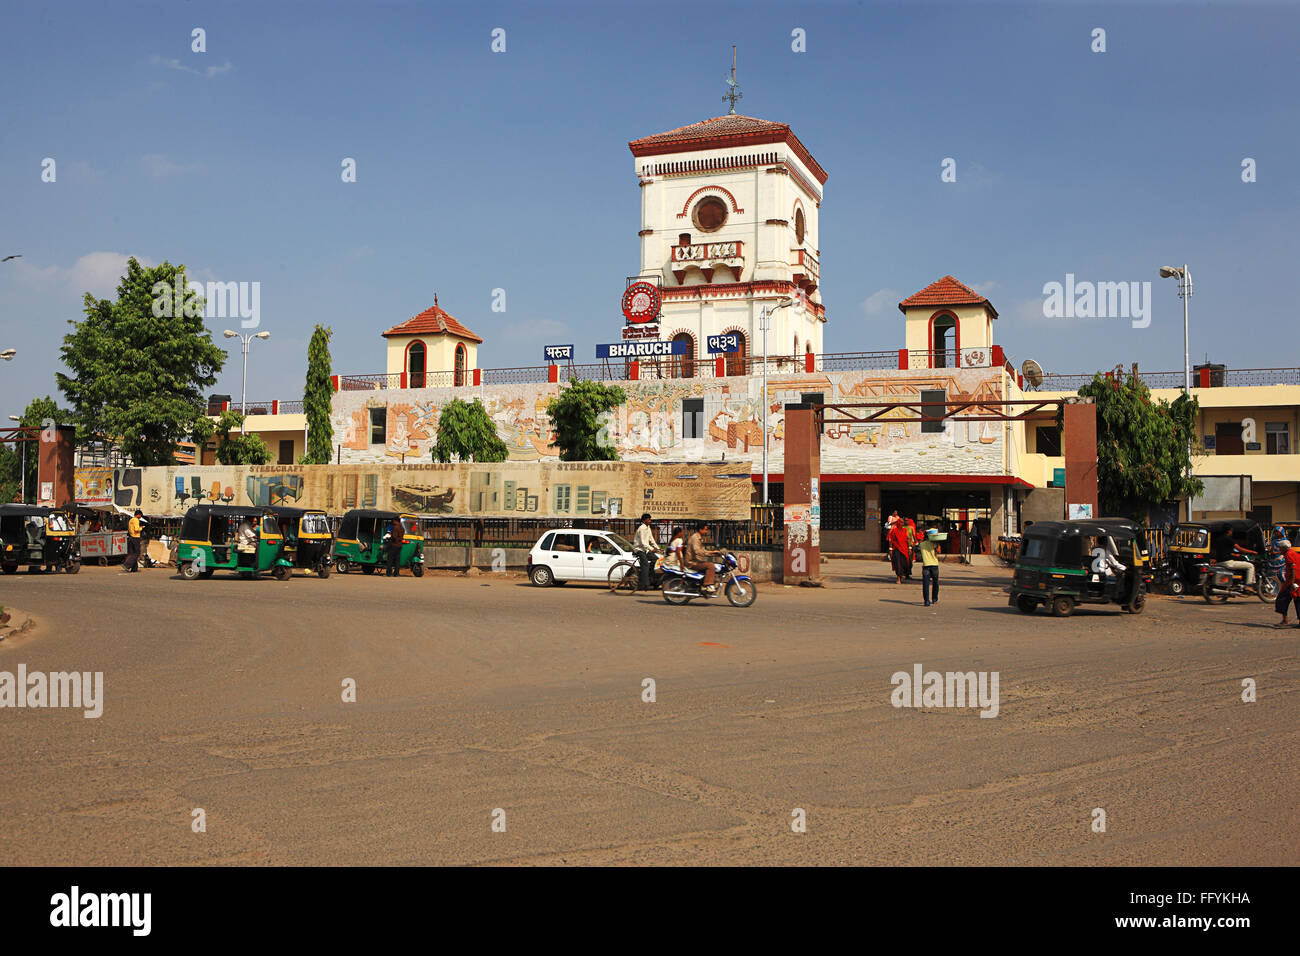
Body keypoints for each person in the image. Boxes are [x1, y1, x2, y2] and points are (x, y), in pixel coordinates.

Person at [684, 521, 720, 594]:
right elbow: (698, 551)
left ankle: (703, 584)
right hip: (692, 562)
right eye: (705, 529)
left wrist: (713, 553)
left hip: (696, 560)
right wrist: (712, 553)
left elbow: (703, 550)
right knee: (710, 566)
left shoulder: (699, 537)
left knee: (711, 565)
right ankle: (708, 585)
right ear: (701, 529)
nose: (706, 531)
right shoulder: (695, 538)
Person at [632, 512, 662, 590]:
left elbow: (651, 539)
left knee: (656, 560)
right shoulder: (641, 528)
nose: (650, 521)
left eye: (650, 519)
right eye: (648, 519)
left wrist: (658, 548)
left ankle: (648, 575)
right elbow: (643, 542)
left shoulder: (648, 528)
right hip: (639, 549)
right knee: (645, 565)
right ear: (644, 520)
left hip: (645, 549)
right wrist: (652, 549)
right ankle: (644, 584)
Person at [1274, 539, 1300, 627]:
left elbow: (1293, 569)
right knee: (1298, 600)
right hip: (1297, 580)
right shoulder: (1294, 553)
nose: (1279, 550)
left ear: (1284, 548)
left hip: (1292, 581)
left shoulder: (1289, 555)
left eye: (1280, 548)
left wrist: (1291, 583)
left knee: (1281, 599)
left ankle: (1285, 620)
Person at [917, 525, 942, 606]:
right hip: (934, 565)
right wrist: (938, 543)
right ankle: (934, 598)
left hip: (926, 565)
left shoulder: (922, 544)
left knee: (926, 584)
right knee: (935, 582)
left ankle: (926, 601)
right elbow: (939, 551)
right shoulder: (935, 544)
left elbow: (916, 548)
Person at [888, 517, 911, 584]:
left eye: (902, 522)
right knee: (898, 564)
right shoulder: (894, 531)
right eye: (901, 522)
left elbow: (908, 539)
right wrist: (890, 549)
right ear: (898, 523)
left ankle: (902, 575)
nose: (902, 523)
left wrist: (909, 547)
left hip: (904, 549)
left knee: (904, 563)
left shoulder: (905, 530)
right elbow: (891, 540)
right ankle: (898, 578)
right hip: (897, 549)